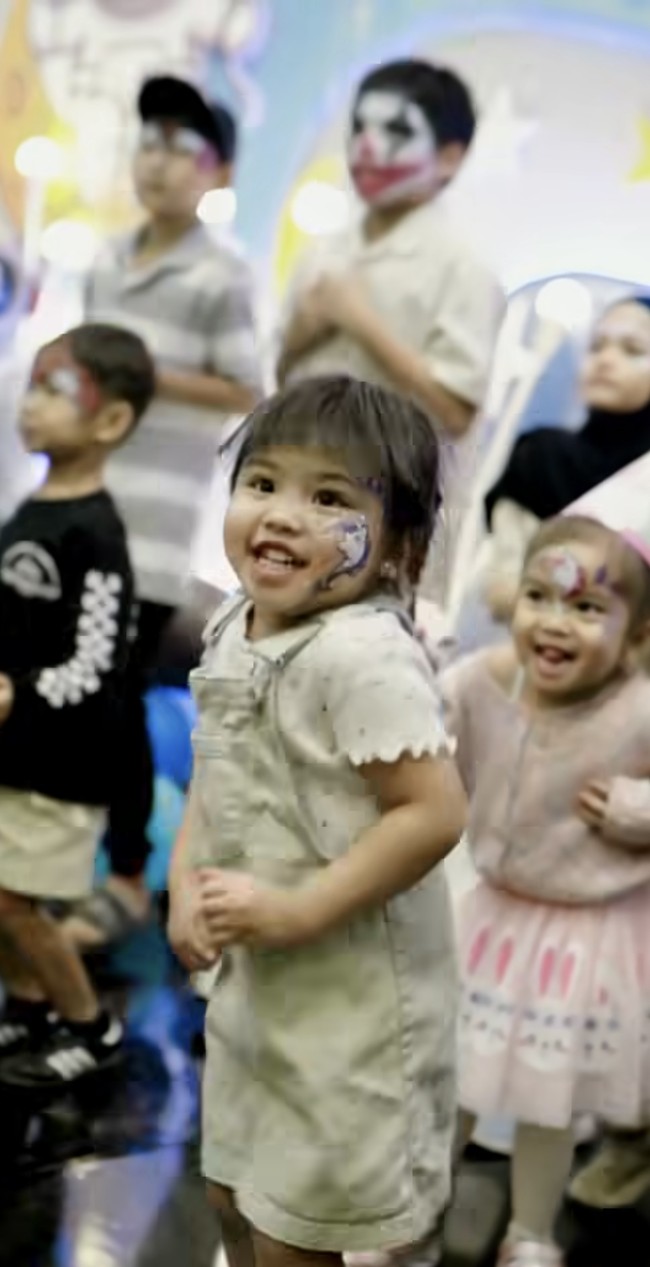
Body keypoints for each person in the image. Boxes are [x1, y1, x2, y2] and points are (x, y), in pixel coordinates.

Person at [168, 375, 467, 1267]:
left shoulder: (362, 653)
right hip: (260, 983)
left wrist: (301, 910)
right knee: (232, 1187)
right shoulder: (233, 624)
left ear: (395, 548)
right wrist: (186, 881)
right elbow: (211, 772)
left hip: (355, 1000)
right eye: (263, 484)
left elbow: (433, 813)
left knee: (301, 1225)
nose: (283, 515)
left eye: (329, 498)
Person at [63, 75, 263, 951]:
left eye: (183, 146)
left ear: (216, 172)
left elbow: (244, 385)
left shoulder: (223, 273)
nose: (159, 161)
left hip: (152, 529)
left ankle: (123, 876)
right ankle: (58, 863)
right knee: (58, 696)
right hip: (80, 499)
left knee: (112, 707)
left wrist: (136, 369)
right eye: (150, 140)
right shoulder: (107, 256)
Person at [443, 508, 650, 1266]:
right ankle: (413, 1208)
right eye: (540, 597)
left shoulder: (639, 708)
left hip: (581, 936)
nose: (556, 623)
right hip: (495, 919)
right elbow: (427, 736)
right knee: (453, 1081)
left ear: (634, 634)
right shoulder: (483, 683)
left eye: (588, 608)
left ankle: (530, 1228)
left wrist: (635, 808)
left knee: (549, 1101)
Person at [277, 58, 504, 613]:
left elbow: (455, 410)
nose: (368, 149)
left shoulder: (463, 268)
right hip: (296, 499)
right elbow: (281, 379)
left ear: (450, 158)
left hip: (389, 523)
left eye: (398, 131)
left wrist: (361, 321)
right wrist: (305, 330)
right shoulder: (323, 251)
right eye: (359, 128)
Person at [0, 323, 155, 1088]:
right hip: (12, 753)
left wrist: (16, 694)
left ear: (111, 421)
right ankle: (27, 1007)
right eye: (31, 385)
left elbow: (95, 664)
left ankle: (90, 1024)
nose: (30, 405)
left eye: (54, 391)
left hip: (56, 765)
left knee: (16, 903)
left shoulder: (97, 531)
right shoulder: (32, 509)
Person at [482, 294, 650, 623]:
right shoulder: (541, 457)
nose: (605, 360)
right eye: (596, 346)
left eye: (632, 350)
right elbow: (501, 590)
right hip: (540, 650)